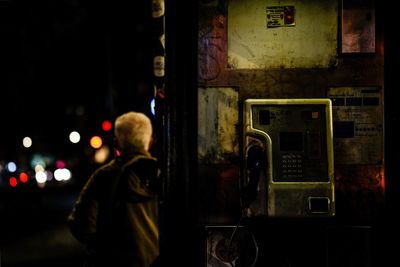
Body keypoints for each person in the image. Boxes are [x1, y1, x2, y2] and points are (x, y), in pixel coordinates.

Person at [67, 111, 160, 267]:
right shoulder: (162, 173)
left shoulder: (102, 176)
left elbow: (81, 225)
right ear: (150, 142)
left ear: (116, 144)